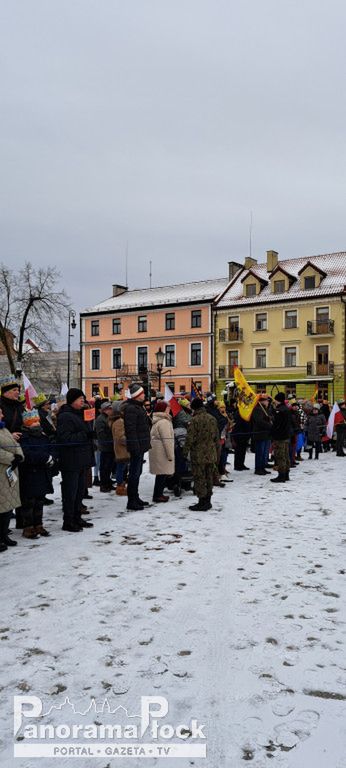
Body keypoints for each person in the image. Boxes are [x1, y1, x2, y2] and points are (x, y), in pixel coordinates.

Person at [56, 388, 95, 532]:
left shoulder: (79, 414)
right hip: (71, 461)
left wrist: (90, 433)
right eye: (80, 399)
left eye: (83, 399)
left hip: (81, 459)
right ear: (72, 400)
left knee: (79, 492)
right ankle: (68, 521)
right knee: (70, 493)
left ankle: (77, 517)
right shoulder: (65, 416)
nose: (83, 401)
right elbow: (65, 439)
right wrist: (86, 435)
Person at [19, 409, 57, 538]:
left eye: (37, 421)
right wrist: (44, 458)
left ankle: (39, 525)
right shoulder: (23, 437)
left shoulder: (43, 435)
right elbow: (26, 454)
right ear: (27, 424)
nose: (36, 423)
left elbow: (51, 447)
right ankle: (28, 527)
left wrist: (52, 457)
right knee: (29, 502)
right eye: (33, 421)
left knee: (39, 501)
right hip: (30, 473)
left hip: (42, 472)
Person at [183, 398, 219, 511]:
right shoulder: (212, 419)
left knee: (199, 478)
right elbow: (216, 438)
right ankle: (208, 501)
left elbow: (190, 438)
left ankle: (202, 501)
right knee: (209, 477)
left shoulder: (194, 420)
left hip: (198, 454)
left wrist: (184, 452)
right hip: (211, 452)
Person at [123, 384, 151, 511]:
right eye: (142, 393)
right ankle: (131, 501)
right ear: (137, 396)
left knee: (137, 473)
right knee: (134, 474)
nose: (144, 395)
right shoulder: (131, 408)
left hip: (140, 445)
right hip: (136, 447)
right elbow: (131, 430)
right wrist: (135, 447)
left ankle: (136, 497)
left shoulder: (138, 407)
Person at [0, 405, 24, 551]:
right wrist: (11, 458)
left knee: (8, 505)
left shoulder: (4, 428)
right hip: (2, 471)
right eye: (0, 413)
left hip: (10, 472)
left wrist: (19, 455)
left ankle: (4, 535)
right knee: (1, 505)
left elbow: (15, 444)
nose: (2, 415)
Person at [149, 401, 175, 502]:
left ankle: (158, 494)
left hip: (158, 452)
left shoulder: (158, 420)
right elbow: (167, 440)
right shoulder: (164, 422)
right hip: (163, 453)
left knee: (160, 474)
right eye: (168, 407)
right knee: (162, 475)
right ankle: (158, 495)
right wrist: (170, 455)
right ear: (163, 409)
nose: (169, 409)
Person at [109, 400, 129, 496]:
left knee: (121, 467)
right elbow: (120, 437)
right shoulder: (119, 421)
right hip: (122, 449)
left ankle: (121, 485)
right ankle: (120, 487)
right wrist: (129, 441)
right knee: (121, 468)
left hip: (120, 448)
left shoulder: (117, 420)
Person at [270, 392, 291, 483]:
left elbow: (277, 424)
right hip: (286, 436)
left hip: (280, 436)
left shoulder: (279, 410)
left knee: (280, 456)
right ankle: (286, 474)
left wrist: (272, 430)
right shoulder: (286, 409)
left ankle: (281, 475)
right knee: (286, 456)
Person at [95, 401, 115, 492]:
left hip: (110, 445)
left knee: (109, 466)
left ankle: (108, 482)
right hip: (105, 446)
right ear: (105, 410)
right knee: (104, 467)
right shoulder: (100, 419)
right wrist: (108, 439)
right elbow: (101, 434)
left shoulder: (108, 418)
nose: (111, 410)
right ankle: (104, 484)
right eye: (110, 408)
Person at [251, 396, 272, 475]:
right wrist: (269, 425)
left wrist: (270, 418)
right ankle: (258, 468)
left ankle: (263, 467)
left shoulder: (265, 409)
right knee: (260, 452)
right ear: (262, 401)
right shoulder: (257, 409)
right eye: (266, 401)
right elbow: (259, 421)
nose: (268, 402)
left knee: (264, 453)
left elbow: (269, 417)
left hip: (266, 434)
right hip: (260, 433)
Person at [0, 375, 23, 440]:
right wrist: (10, 436)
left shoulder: (19, 405)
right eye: (14, 390)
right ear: (5, 392)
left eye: (18, 390)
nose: (18, 392)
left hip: (21, 442)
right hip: (5, 443)